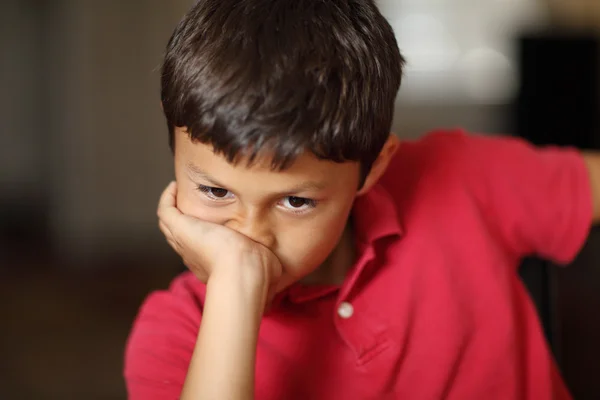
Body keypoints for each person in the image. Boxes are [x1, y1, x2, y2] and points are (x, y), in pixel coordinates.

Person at [124, 0, 600, 399]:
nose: (249, 237)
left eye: (295, 202)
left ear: (372, 168)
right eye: (215, 191)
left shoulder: (462, 177)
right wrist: (234, 286)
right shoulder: (174, 333)